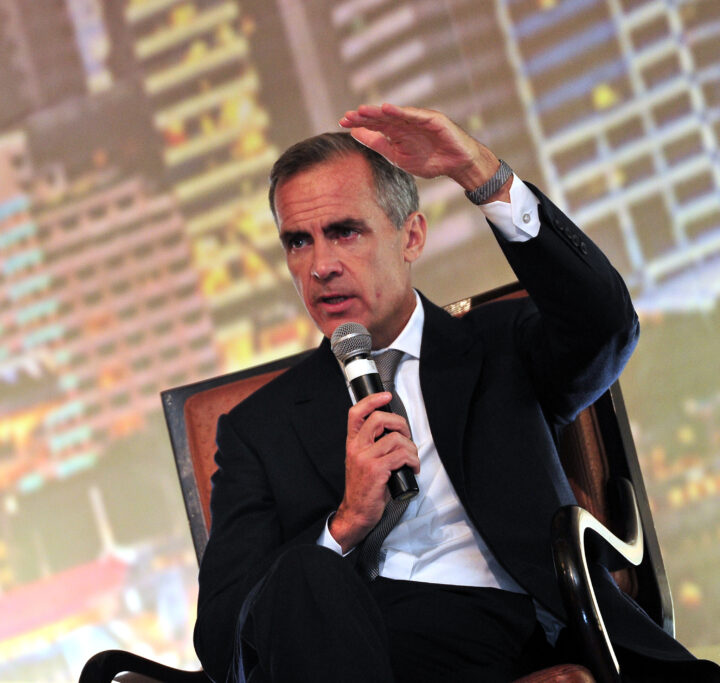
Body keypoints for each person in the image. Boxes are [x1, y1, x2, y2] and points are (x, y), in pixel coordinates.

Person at [193, 103, 720, 682]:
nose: (320, 266)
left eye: (344, 232)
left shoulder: (501, 346)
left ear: (411, 236)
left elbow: (606, 325)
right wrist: (346, 524)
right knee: (304, 572)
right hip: (359, 645)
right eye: (298, 242)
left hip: (513, 627)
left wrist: (479, 173)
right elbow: (222, 635)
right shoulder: (259, 429)